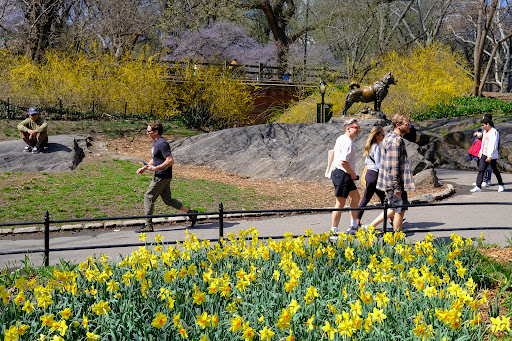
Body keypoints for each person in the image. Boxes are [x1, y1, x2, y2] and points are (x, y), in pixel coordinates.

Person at [136, 121, 198, 232]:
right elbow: (156, 159)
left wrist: (155, 168)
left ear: (155, 132)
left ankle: (148, 225)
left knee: (148, 197)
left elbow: (170, 160)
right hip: (164, 175)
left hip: (162, 176)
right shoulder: (156, 142)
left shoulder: (162, 143)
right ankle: (191, 213)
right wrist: (145, 167)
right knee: (168, 200)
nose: (147, 133)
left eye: (148, 131)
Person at [367, 114, 415, 232]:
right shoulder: (395, 141)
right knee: (399, 209)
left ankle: (371, 227)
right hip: (394, 183)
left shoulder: (389, 137)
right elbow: (393, 167)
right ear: (398, 125)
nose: (409, 127)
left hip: (391, 182)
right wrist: (397, 187)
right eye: (407, 124)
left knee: (397, 208)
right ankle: (396, 240)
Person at [330, 118, 361, 236]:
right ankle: (334, 231)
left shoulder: (341, 138)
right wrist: (352, 173)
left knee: (356, 197)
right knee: (340, 204)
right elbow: (344, 161)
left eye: (359, 128)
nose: (358, 130)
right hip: (343, 174)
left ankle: (354, 225)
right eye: (356, 128)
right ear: (348, 129)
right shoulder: (347, 142)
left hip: (342, 174)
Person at [356, 126, 386, 227]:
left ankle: (393, 219)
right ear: (377, 135)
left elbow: (367, 162)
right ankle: (356, 222)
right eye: (382, 134)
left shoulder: (370, 146)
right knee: (366, 199)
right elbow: (378, 165)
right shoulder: (376, 148)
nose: (384, 135)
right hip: (374, 176)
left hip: (369, 174)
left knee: (383, 198)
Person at [470, 116, 505, 193]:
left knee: (495, 170)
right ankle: (478, 186)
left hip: (491, 155)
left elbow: (493, 145)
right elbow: (483, 143)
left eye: (483, 125)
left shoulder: (494, 132)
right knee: (481, 169)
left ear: (488, 124)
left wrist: (490, 156)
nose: (482, 127)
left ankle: (501, 185)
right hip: (484, 154)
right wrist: (481, 152)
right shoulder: (485, 132)